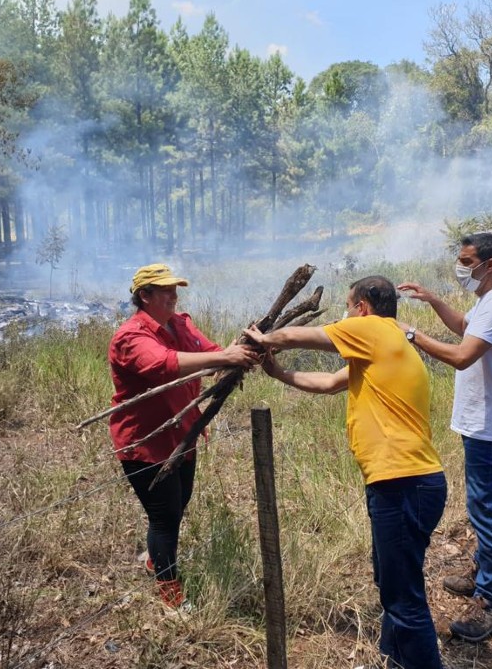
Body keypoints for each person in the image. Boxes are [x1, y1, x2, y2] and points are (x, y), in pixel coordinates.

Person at [244, 276, 446, 669]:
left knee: (404, 599)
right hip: (404, 483)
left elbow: (302, 336)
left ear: (363, 307)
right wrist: (279, 373)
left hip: (403, 483)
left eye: (348, 306)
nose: (346, 314)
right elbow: (327, 383)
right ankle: (395, 659)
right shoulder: (383, 348)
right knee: (392, 584)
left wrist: (263, 339)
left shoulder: (373, 329)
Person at [397, 233, 492, 643]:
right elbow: (464, 328)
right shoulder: (488, 300)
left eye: (467, 261)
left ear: (490, 265)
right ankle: (483, 572)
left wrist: (411, 334)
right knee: (481, 505)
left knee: (487, 508)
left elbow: (461, 355)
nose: (461, 268)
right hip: (483, 422)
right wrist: (433, 300)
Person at [108, 263, 257, 608]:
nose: (173, 296)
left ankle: (154, 559)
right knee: (164, 517)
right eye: (165, 290)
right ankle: (170, 591)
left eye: (174, 289)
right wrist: (226, 356)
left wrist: (242, 350)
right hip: (146, 443)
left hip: (183, 434)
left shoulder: (180, 324)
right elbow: (164, 363)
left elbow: (211, 354)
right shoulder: (130, 337)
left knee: (178, 504)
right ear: (145, 296)